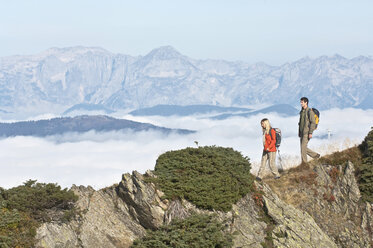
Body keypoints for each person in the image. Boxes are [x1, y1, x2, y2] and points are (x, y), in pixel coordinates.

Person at [298, 97, 320, 163]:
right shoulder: (302, 112)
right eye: (300, 102)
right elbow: (300, 123)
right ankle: (316, 155)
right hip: (302, 132)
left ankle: (304, 164)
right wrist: (299, 132)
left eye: (302, 102)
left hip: (307, 132)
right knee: (303, 148)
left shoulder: (309, 112)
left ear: (306, 102)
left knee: (303, 149)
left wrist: (310, 133)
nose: (301, 103)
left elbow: (313, 122)